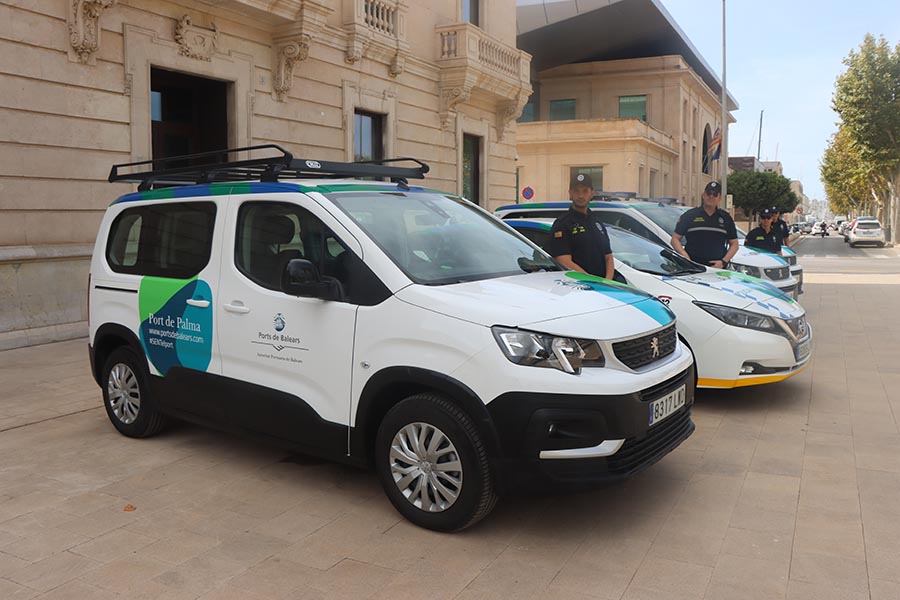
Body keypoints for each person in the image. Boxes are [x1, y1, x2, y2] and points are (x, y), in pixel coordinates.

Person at [548, 173, 614, 279]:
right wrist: (592, 281)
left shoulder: (597, 222)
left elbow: (608, 257)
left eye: (585, 191)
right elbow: (564, 260)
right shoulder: (562, 224)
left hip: (602, 288)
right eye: (576, 191)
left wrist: (608, 282)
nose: (580, 196)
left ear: (592, 193)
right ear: (570, 193)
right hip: (578, 287)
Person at [671, 180, 739, 269]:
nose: (711, 196)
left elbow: (734, 244)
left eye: (715, 194)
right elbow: (675, 239)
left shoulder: (725, 218)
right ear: (703, 195)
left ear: (719, 198)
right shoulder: (690, 215)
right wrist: (685, 257)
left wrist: (723, 262)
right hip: (693, 268)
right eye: (708, 193)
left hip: (717, 269)